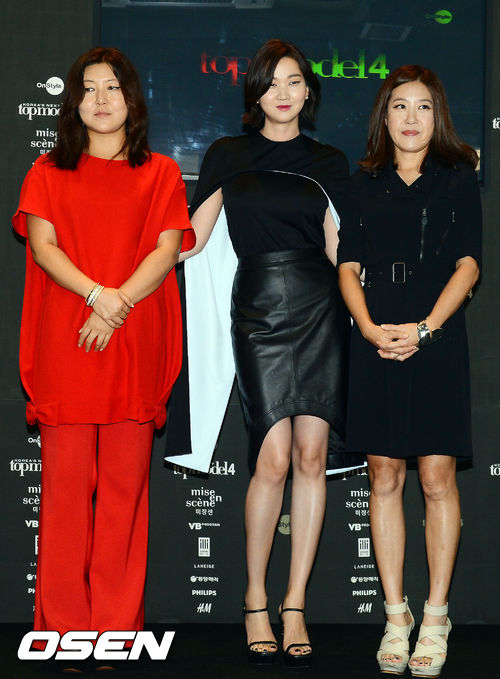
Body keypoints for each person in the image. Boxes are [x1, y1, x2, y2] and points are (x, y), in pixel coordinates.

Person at [175, 38, 363, 668]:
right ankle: (255, 598)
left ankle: (294, 604)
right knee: (273, 457)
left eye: (293, 81)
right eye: (270, 82)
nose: (282, 93)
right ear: (254, 92)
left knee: (312, 456)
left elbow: (341, 249)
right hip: (257, 307)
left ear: (309, 91)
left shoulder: (329, 161)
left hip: (320, 308)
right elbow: (193, 238)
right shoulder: (227, 155)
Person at [12, 47, 194, 667]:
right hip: (67, 345)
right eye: (88, 88)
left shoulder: (161, 172)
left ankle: (115, 629)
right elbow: (43, 246)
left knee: (124, 497)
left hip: (133, 344)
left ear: (132, 99)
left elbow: (166, 250)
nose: (100, 99)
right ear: (74, 103)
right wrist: (97, 296)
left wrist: (116, 305)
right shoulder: (47, 171)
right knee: (65, 497)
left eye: (112, 87)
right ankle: (64, 631)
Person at [338, 64, 481, 677]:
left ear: (437, 115)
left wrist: (425, 330)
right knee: (385, 476)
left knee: (437, 479)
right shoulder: (361, 183)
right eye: (400, 105)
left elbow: (469, 265)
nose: (412, 117)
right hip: (375, 335)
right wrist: (371, 329)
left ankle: (436, 616)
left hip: (437, 336)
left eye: (423, 106)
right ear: (384, 115)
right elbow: (347, 266)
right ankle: (396, 617)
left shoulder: (458, 179)